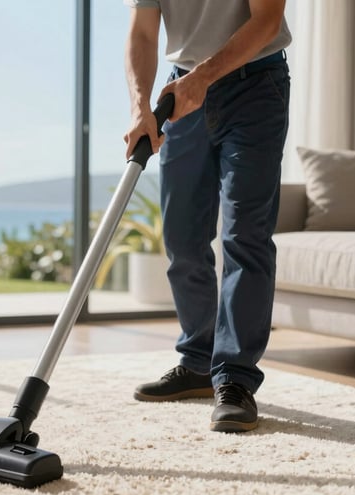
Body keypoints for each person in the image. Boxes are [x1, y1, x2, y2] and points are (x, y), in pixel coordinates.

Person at [123, 0, 292, 432]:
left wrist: (202, 77)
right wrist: (141, 106)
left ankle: (235, 377)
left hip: (255, 85)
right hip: (181, 94)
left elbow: (267, 19)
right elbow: (142, 33)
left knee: (245, 235)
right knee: (182, 239)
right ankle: (198, 361)